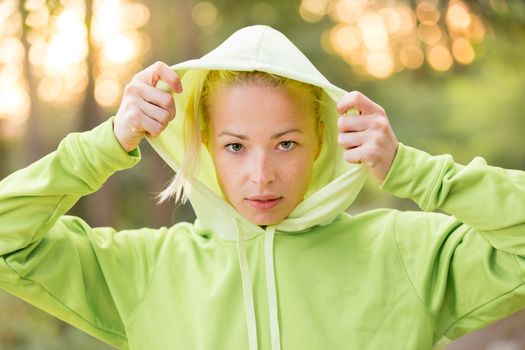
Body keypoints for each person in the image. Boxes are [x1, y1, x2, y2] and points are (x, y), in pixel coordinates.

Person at [0, 24, 524, 350]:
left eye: (286, 143)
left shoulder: (407, 253)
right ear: (203, 145)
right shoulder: (143, 271)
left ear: (323, 140)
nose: (261, 176)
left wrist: (418, 172)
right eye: (234, 146)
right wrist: (107, 143)